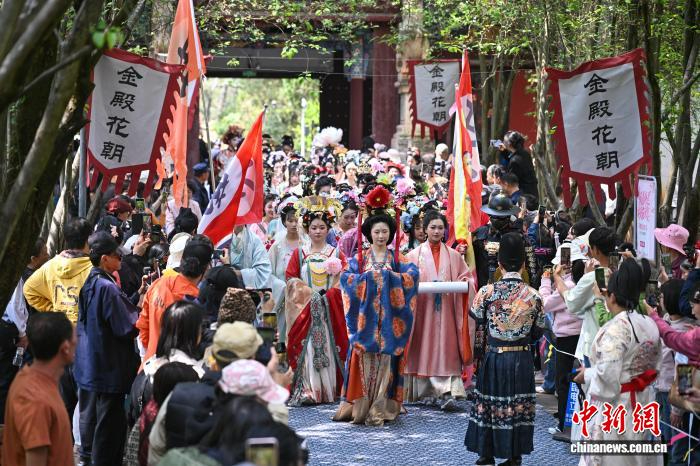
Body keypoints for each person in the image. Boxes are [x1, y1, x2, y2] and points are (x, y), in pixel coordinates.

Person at [333, 191, 420, 426]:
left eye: (384, 232)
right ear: (369, 234)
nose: (381, 236)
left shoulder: (397, 259)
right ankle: (361, 407)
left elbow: (413, 276)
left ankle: (381, 406)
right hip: (365, 323)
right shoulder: (359, 260)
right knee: (364, 361)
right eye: (377, 232)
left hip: (389, 324)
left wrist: (389, 278)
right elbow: (346, 279)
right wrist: (369, 279)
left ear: (391, 234)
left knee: (386, 363)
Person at [465, 232, 545, 466]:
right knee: (517, 406)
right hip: (522, 357)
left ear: (499, 263)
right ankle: (513, 456)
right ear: (523, 264)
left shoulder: (487, 292)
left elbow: (477, 318)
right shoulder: (534, 296)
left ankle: (486, 454)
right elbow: (538, 331)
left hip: (495, 357)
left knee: (490, 403)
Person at [572, 259, 661, 466]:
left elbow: (607, 375)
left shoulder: (616, 328)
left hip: (618, 405)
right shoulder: (649, 324)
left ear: (611, 297)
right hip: (644, 401)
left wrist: (588, 374)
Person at [75, 232, 141, 465]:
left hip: (90, 362)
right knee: (108, 426)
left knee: (91, 420)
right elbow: (127, 326)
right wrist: (142, 312)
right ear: (105, 259)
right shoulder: (107, 287)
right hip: (108, 365)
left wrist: (136, 297)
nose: (120, 260)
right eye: (117, 256)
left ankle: (88, 458)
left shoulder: (91, 280)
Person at [404, 210, 475, 408]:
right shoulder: (412, 256)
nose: (436, 231)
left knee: (447, 346)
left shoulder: (454, 256)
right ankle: (424, 391)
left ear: (445, 230)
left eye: (440, 228)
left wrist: (464, 284)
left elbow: (467, 278)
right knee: (423, 345)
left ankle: (448, 391)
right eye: (433, 227)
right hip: (422, 311)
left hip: (448, 309)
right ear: (425, 229)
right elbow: (404, 281)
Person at [23, 217, 92, 418]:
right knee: (84, 402)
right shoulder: (91, 268)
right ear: (88, 239)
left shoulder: (51, 266)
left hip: (59, 337)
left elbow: (29, 289)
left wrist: (54, 310)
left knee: (63, 398)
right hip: (84, 339)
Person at [285, 196, 349, 405]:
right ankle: (308, 389)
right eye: (314, 227)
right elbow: (291, 280)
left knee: (330, 346)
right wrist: (309, 295)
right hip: (306, 310)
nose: (318, 231)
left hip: (329, 310)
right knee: (308, 347)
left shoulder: (336, 253)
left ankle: (331, 389)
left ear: (328, 228)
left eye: (322, 227)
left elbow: (345, 279)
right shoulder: (300, 254)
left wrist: (329, 295)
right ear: (307, 229)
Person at [2, 313, 76, 466]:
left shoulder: (34, 381)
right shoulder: (35, 399)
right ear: (65, 348)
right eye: (76, 338)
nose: (78, 342)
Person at [137, 235, 212, 362]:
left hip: (150, 365)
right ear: (206, 268)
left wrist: (151, 353)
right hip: (178, 370)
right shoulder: (197, 301)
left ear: (182, 260)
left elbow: (143, 327)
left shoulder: (159, 283)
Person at [539, 243, 585, 439]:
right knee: (571, 380)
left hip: (567, 338)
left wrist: (545, 282)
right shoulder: (579, 281)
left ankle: (564, 425)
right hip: (577, 335)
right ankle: (570, 423)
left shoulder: (568, 285)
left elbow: (545, 304)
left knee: (564, 381)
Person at [0, 239, 48, 421]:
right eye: (44, 251)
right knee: (6, 378)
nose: (47, 254)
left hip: (12, 330)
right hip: (10, 331)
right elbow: (16, 307)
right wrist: (23, 334)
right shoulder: (17, 274)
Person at [554, 226, 615, 365]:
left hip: (595, 345)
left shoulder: (593, 277)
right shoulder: (614, 272)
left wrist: (557, 277)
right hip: (613, 343)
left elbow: (571, 302)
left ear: (595, 250)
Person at [473, 194, 536, 289]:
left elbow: (530, 264)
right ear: (489, 215)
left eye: (502, 217)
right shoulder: (480, 234)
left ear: (509, 216)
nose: (498, 220)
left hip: (513, 289)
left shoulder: (518, 236)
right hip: (484, 286)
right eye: (495, 217)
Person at [229, 225, 272, 289]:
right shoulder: (224, 239)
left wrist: (239, 273)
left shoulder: (255, 240)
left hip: (248, 289)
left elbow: (262, 272)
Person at [503, 131, 538, 204]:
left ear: (509, 144)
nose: (503, 143)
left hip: (524, 197)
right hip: (533, 192)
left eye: (504, 141)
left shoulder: (515, 161)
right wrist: (504, 151)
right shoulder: (525, 153)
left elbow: (512, 180)